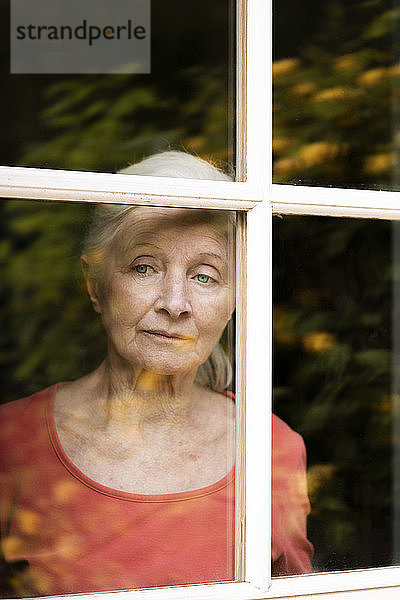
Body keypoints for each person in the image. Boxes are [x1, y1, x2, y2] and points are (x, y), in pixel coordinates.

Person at [0, 152, 313, 597]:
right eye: (144, 267)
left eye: (205, 277)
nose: (175, 302)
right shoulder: (9, 442)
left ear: (234, 301)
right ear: (95, 284)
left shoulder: (273, 449)